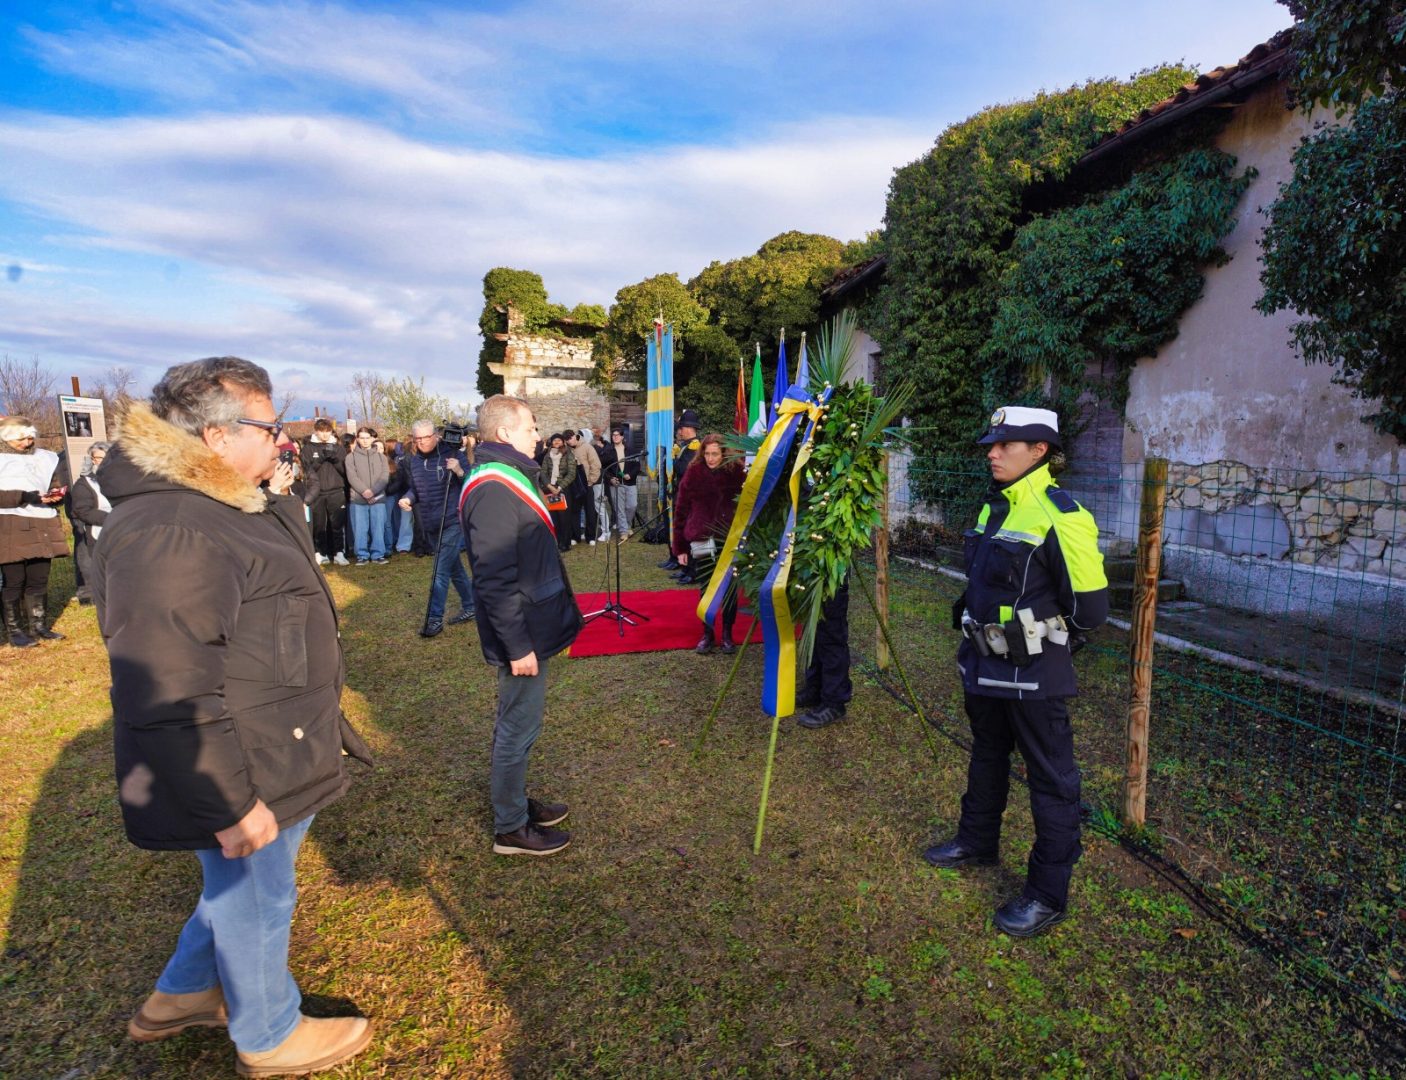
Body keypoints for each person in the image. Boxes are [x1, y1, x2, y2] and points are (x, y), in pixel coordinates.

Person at [90, 356, 374, 1075]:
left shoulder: (215, 505)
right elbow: (170, 681)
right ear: (216, 438)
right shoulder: (175, 528)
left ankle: (182, 993)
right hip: (248, 758)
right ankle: (269, 1034)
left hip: (274, 736)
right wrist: (229, 797)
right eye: (269, 427)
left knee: (235, 884)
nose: (283, 441)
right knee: (256, 891)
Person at [923, 406, 1108, 939]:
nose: (993, 452)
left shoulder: (1061, 514)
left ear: (1040, 451)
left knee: (1051, 780)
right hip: (983, 664)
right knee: (985, 755)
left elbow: (1091, 611)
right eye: (993, 444)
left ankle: (1047, 895)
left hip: (1033, 675)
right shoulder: (994, 509)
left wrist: (1035, 635)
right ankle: (976, 841)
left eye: (1006, 445)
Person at [461, 395, 583, 856]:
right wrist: (517, 646)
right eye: (531, 427)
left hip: (532, 623)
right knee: (517, 726)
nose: (538, 434)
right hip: (522, 633)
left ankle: (515, 801)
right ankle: (510, 826)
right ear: (506, 433)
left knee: (521, 724)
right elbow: (493, 578)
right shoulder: (494, 486)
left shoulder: (508, 475)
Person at [398, 419, 475, 637]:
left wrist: (459, 470)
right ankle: (471, 606)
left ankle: (434, 620)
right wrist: (408, 499)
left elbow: (470, 482)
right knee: (454, 568)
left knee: (439, 571)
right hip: (430, 522)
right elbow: (415, 489)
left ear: (436, 435)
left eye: (426, 437)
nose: (422, 442)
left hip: (452, 521)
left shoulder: (452, 455)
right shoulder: (413, 461)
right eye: (418, 438)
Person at [0, 415, 70, 647]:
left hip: (42, 522)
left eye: (30, 438)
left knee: (39, 578)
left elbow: (52, 482)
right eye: (21, 439)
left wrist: (55, 494)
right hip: (10, 525)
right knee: (14, 580)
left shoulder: (46, 458)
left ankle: (39, 626)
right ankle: (15, 631)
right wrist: (26, 496)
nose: (27, 443)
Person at [673, 433, 744, 654]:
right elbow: (681, 509)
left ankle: (727, 635)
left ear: (724, 453)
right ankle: (707, 634)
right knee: (706, 589)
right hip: (702, 540)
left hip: (728, 540)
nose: (711, 458)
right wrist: (680, 547)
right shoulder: (693, 473)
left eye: (715, 454)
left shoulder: (737, 473)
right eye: (707, 454)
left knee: (730, 590)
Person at [795, 578, 854, 730]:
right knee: (813, 633)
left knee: (831, 637)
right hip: (812, 575)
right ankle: (815, 688)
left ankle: (834, 702)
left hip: (833, 578)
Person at [68, 441, 112, 606]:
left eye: (108, 457)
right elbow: (82, 510)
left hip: (119, 529)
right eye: (100, 458)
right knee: (92, 564)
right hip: (96, 530)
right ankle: (91, 596)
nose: (104, 461)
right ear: (93, 460)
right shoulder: (84, 484)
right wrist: (112, 518)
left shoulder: (120, 480)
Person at [301, 418, 348, 566]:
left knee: (337, 524)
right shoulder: (308, 448)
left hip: (336, 490)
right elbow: (307, 471)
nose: (325, 434)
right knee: (319, 525)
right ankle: (321, 553)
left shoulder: (339, 448)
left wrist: (334, 458)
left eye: (327, 431)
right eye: (322, 431)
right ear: (316, 431)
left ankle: (339, 553)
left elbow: (344, 471)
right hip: (317, 492)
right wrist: (320, 458)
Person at [346, 426, 389, 565]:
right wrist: (365, 491)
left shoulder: (381, 457)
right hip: (358, 499)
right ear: (357, 439)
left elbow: (384, 476)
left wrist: (373, 491)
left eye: (367, 438)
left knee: (378, 527)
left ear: (372, 438)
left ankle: (378, 554)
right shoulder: (350, 457)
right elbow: (352, 477)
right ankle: (362, 555)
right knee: (360, 528)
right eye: (362, 438)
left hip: (378, 498)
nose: (365, 441)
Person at [538, 432, 576, 552]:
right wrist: (549, 486)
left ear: (563, 442)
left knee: (564, 518)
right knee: (554, 517)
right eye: (554, 440)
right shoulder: (547, 455)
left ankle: (566, 543)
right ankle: (558, 542)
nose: (557, 442)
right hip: (550, 489)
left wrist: (559, 488)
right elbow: (543, 472)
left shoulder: (568, 454)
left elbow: (571, 473)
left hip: (563, 489)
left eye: (559, 440)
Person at [603, 426, 639, 540]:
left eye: (617, 435)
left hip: (630, 483)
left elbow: (637, 465)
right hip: (616, 483)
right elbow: (604, 468)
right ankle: (623, 531)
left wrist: (631, 475)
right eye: (613, 435)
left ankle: (627, 525)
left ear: (622, 437)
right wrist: (610, 479)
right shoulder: (608, 451)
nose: (615, 437)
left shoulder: (631, 450)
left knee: (632, 505)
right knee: (619, 509)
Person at [568, 428, 601, 545]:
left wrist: (591, 480)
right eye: (566, 440)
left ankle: (591, 537)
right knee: (574, 511)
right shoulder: (567, 450)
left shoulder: (587, 447)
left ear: (575, 436)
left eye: (570, 438)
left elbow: (596, 464)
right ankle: (575, 536)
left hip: (587, 484)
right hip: (574, 485)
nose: (569, 441)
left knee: (590, 511)